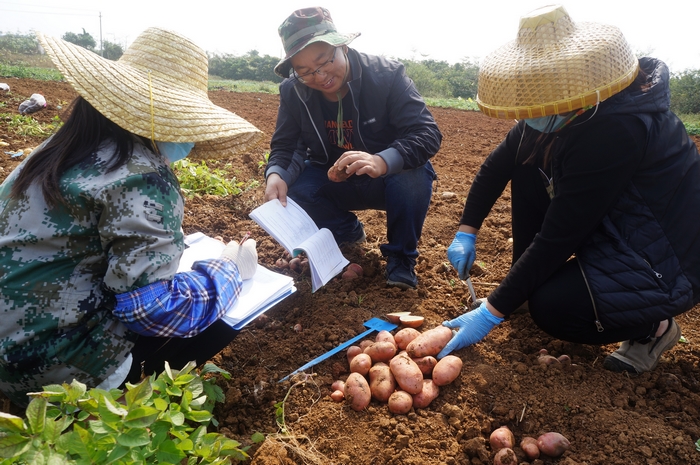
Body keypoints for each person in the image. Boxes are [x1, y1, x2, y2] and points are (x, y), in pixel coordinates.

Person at [0, 27, 263, 407]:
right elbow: (151, 310)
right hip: (53, 373)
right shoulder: (141, 175)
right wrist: (228, 272)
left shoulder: (53, 154)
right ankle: (135, 402)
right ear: (167, 119)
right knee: (218, 316)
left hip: (10, 347)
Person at [439, 5, 700, 375]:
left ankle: (654, 329)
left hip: (665, 258)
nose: (527, 119)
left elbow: (560, 235)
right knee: (527, 166)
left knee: (552, 309)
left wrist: (491, 312)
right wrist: (467, 230)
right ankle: (522, 290)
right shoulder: (559, 111)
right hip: (618, 225)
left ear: (578, 88)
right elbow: (496, 167)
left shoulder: (616, 131)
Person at [264, 6, 442, 290]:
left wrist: (382, 161)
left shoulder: (386, 76)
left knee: (414, 175)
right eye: (306, 71)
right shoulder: (293, 91)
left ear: (342, 46)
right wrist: (276, 174)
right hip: (333, 179)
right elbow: (287, 144)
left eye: (324, 61)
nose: (320, 76)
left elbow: (426, 133)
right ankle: (347, 232)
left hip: (386, 180)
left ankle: (401, 258)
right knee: (295, 187)